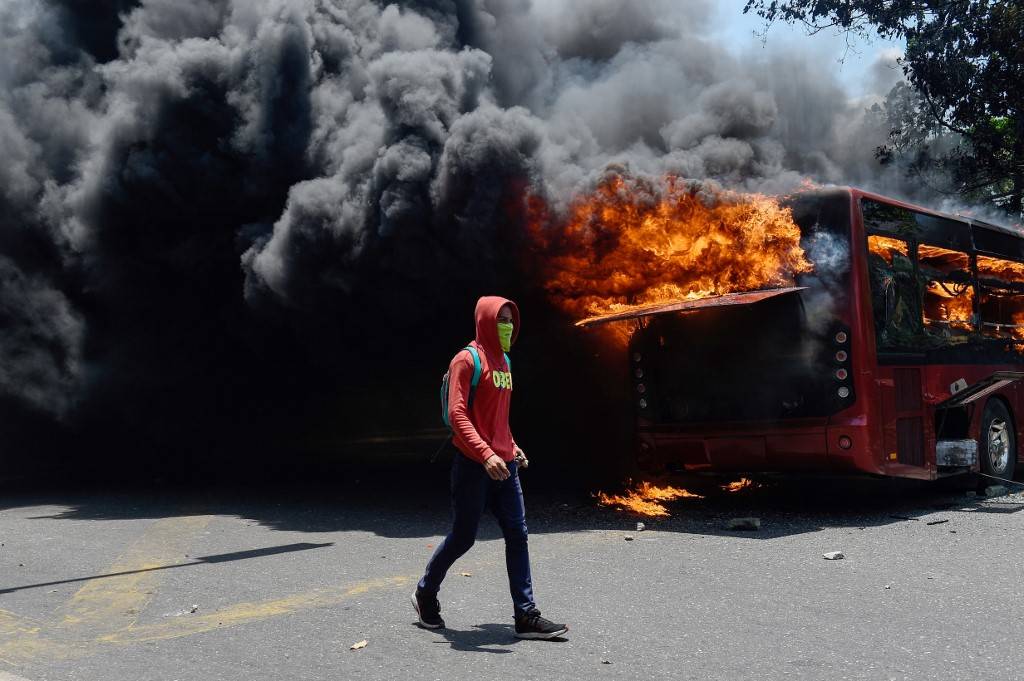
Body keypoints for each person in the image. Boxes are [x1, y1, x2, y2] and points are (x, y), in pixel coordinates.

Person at [412, 296, 568, 640]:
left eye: (511, 320)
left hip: (505, 466)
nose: (508, 327)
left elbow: (498, 418)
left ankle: (526, 616)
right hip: (473, 466)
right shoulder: (466, 361)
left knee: (518, 534)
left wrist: (511, 446)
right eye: (501, 320)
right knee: (463, 537)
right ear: (485, 321)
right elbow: (457, 414)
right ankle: (425, 593)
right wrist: (485, 454)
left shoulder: (506, 363)